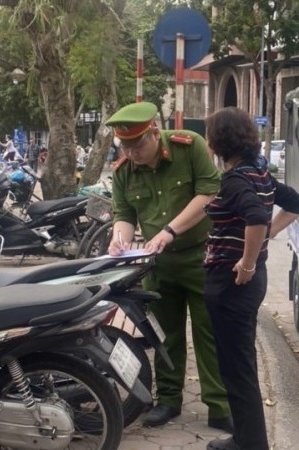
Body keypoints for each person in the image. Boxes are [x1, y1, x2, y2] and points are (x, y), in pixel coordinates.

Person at [105, 101, 233, 433]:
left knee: (209, 332)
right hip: (159, 265)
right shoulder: (122, 171)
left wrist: (169, 230)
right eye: (125, 147)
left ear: (153, 132)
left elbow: (210, 192)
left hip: (201, 257)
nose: (132, 154)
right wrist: (119, 239)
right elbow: (124, 214)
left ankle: (219, 406)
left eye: (137, 145)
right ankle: (168, 400)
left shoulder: (188, 146)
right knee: (165, 335)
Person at [202, 107, 299, 450]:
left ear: (219, 141)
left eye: (210, 134)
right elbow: (295, 203)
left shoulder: (235, 179)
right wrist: (263, 243)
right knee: (239, 364)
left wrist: (247, 262)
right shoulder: (258, 172)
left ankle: (250, 444)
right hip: (248, 282)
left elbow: (257, 215)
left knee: (237, 367)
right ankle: (246, 438)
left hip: (234, 283)